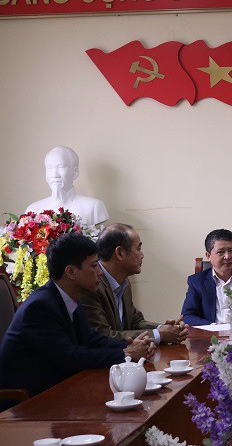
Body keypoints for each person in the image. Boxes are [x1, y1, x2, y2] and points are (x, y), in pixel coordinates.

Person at [0, 233, 154, 399]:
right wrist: (126, 354)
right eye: (94, 266)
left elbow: (93, 340)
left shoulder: (70, 298)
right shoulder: (39, 307)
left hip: (57, 391)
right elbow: (70, 358)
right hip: (24, 401)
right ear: (71, 272)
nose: (100, 273)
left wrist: (134, 347)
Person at [80, 223, 188, 344]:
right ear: (120, 253)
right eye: (138, 249)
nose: (142, 255)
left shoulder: (124, 282)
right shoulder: (91, 284)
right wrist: (160, 334)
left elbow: (135, 321)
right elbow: (104, 336)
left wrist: (165, 329)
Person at [26, 146, 109, 226]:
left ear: (75, 172)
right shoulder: (33, 210)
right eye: (49, 168)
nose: (54, 175)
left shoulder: (94, 207)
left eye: (60, 167)